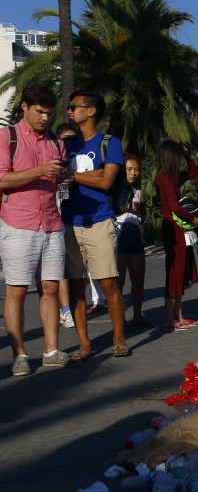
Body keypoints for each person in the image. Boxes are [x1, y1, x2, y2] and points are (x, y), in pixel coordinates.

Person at [0, 84, 78, 375]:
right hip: (17, 223)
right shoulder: (7, 137)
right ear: (24, 107)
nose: (45, 118)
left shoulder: (57, 143)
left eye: (48, 113)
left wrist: (65, 177)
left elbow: (60, 179)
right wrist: (40, 171)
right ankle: (20, 355)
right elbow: (2, 181)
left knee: (51, 288)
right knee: (17, 290)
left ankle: (51, 350)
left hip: (52, 222)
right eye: (39, 112)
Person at [61, 90, 128, 358]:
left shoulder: (110, 142)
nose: (69, 111)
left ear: (91, 111)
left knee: (108, 283)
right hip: (69, 222)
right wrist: (88, 174)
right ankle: (84, 344)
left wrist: (75, 175)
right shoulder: (65, 145)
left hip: (100, 221)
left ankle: (119, 338)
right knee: (76, 285)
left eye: (74, 107)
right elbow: (63, 178)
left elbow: (105, 182)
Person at [154, 140, 198, 331]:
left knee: (179, 272)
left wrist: (188, 154)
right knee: (174, 273)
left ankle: (178, 316)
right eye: (178, 156)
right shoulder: (164, 178)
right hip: (173, 229)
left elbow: (193, 172)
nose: (180, 160)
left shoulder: (170, 177)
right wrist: (193, 218)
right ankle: (169, 319)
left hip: (176, 229)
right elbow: (174, 206)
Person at [116, 152, 149, 327]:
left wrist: (141, 209)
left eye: (136, 169)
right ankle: (119, 317)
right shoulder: (115, 189)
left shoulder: (139, 191)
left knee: (138, 278)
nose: (133, 173)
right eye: (129, 169)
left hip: (135, 235)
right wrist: (128, 206)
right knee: (119, 281)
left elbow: (143, 217)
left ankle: (137, 314)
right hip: (119, 234)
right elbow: (112, 210)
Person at [53, 122, 77, 330]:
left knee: (63, 271)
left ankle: (66, 309)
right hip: (45, 225)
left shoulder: (75, 167)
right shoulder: (51, 165)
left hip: (66, 225)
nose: (68, 144)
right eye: (65, 139)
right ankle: (60, 310)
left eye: (72, 139)